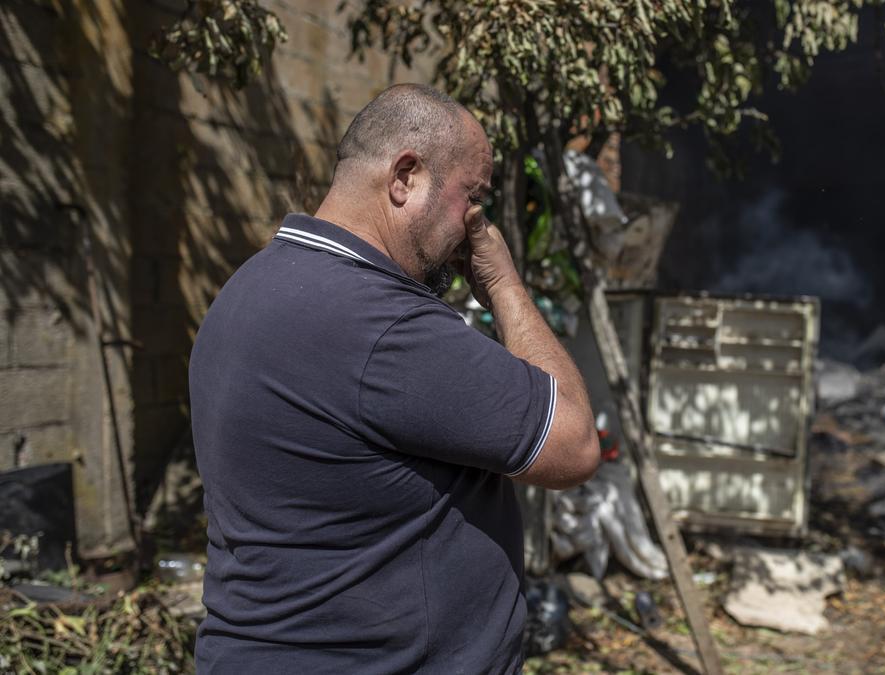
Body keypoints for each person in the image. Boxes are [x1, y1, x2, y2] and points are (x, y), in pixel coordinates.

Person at [188, 83, 600, 674]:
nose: (476, 226)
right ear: (405, 176)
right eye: (472, 198)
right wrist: (505, 284)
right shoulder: (381, 326)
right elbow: (574, 443)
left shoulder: (249, 288)